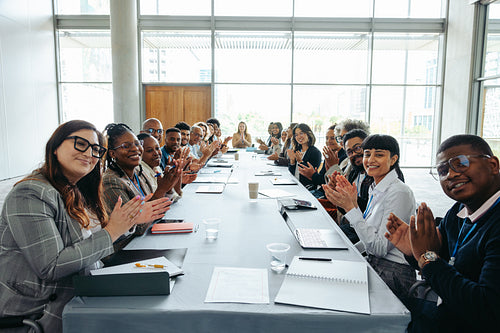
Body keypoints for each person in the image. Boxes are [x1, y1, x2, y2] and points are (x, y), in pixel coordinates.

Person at [0, 120, 169, 332]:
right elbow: (51, 266)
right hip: (42, 313)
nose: (89, 153)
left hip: (85, 291)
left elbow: (96, 241)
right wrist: (112, 231)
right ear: (55, 147)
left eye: (97, 149)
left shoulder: (75, 188)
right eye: (80, 144)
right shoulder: (30, 194)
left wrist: (129, 221)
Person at [385, 134, 500, 333]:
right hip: (443, 315)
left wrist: (426, 258)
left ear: (493, 165)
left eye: (460, 163)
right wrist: (414, 253)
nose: (451, 175)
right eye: (443, 171)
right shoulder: (457, 212)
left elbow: (487, 310)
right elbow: (445, 262)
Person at [322, 134, 416, 303]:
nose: (370, 159)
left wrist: (350, 208)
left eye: (379, 154)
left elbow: (379, 247)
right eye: (367, 154)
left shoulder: (399, 192)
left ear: (393, 159)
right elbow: (368, 233)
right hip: (375, 262)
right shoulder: (376, 186)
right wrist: (345, 251)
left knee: (330, 294)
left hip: (393, 272)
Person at [103, 123, 180, 249]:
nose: (135, 149)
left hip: (149, 239)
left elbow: (159, 206)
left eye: (137, 143)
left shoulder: (138, 171)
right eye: (126, 146)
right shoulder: (111, 181)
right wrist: (161, 190)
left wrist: (168, 185)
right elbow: (137, 227)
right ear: (112, 154)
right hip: (127, 250)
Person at [298, 124, 343, 193]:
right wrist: (314, 175)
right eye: (327, 138)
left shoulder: (343, 157)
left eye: (332, 138)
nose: (329, 141)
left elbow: (329, 182)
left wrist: (313, 175)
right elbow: (321, 179)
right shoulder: (329, 155)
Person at [288, 123, 322, 188]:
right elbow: (292, 172)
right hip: (294, 184)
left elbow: (310, 175)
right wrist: (292, 161)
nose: (299, 137)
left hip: (306, 187)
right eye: (296, 135)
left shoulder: (315, 152)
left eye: (301, 133)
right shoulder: (297, 150)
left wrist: (300, 161)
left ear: (308, 134)